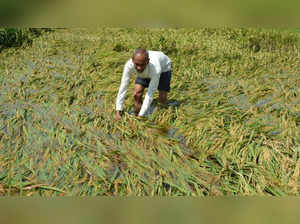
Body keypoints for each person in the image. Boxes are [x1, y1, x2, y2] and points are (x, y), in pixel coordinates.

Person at [115, 48, 172, 120]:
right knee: (137, 94)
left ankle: (164, 116)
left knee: (162, 98)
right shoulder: (129, 65)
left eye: (142, 65)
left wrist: (141, 116)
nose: (139, 68)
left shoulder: (156, 69)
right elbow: (123, 87)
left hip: (164, 69)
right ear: (132, 60)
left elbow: (150, 94)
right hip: (146, 72)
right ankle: (136, 114)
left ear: (147, 61)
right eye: (137, 64)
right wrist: (118, 111)